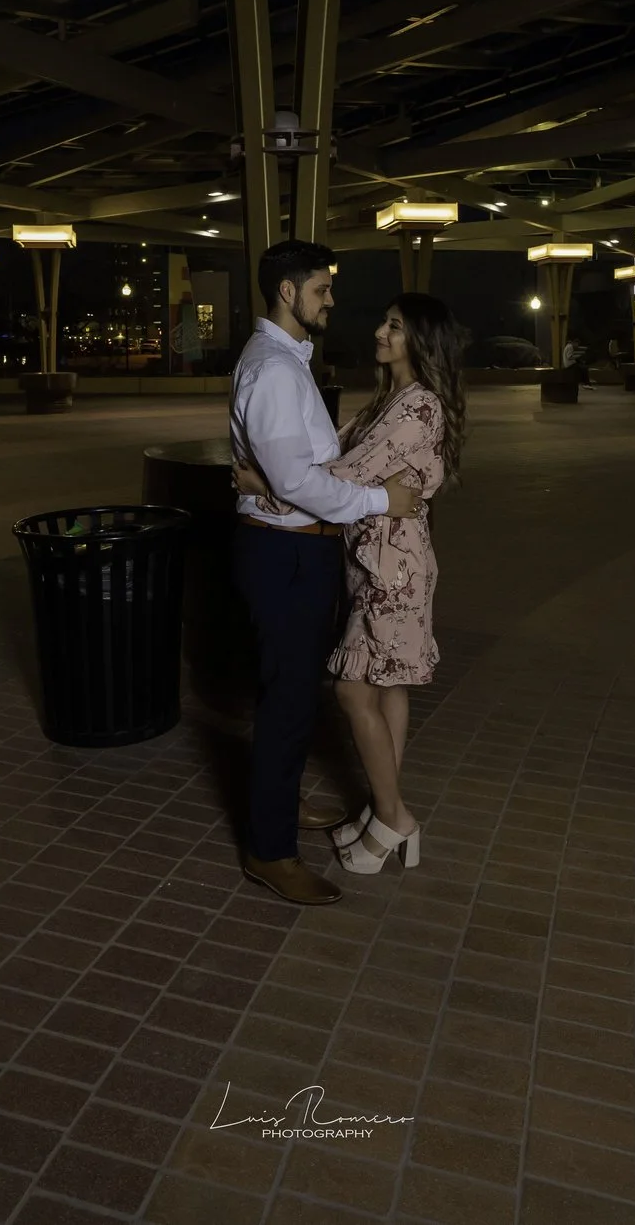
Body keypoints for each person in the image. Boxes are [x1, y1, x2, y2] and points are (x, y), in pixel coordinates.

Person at [238, 294, 464, 880]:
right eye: (385, 321)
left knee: (351, 690)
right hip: (375, 559)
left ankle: (394, 819)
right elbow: (334, 456)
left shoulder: (419, 408)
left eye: (395, 326)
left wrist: (265, 486)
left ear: (422, 341)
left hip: (394, 568)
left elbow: (344, 474)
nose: (380, 332)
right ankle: (380, 811)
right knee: (387, 688)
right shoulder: (390, 399)